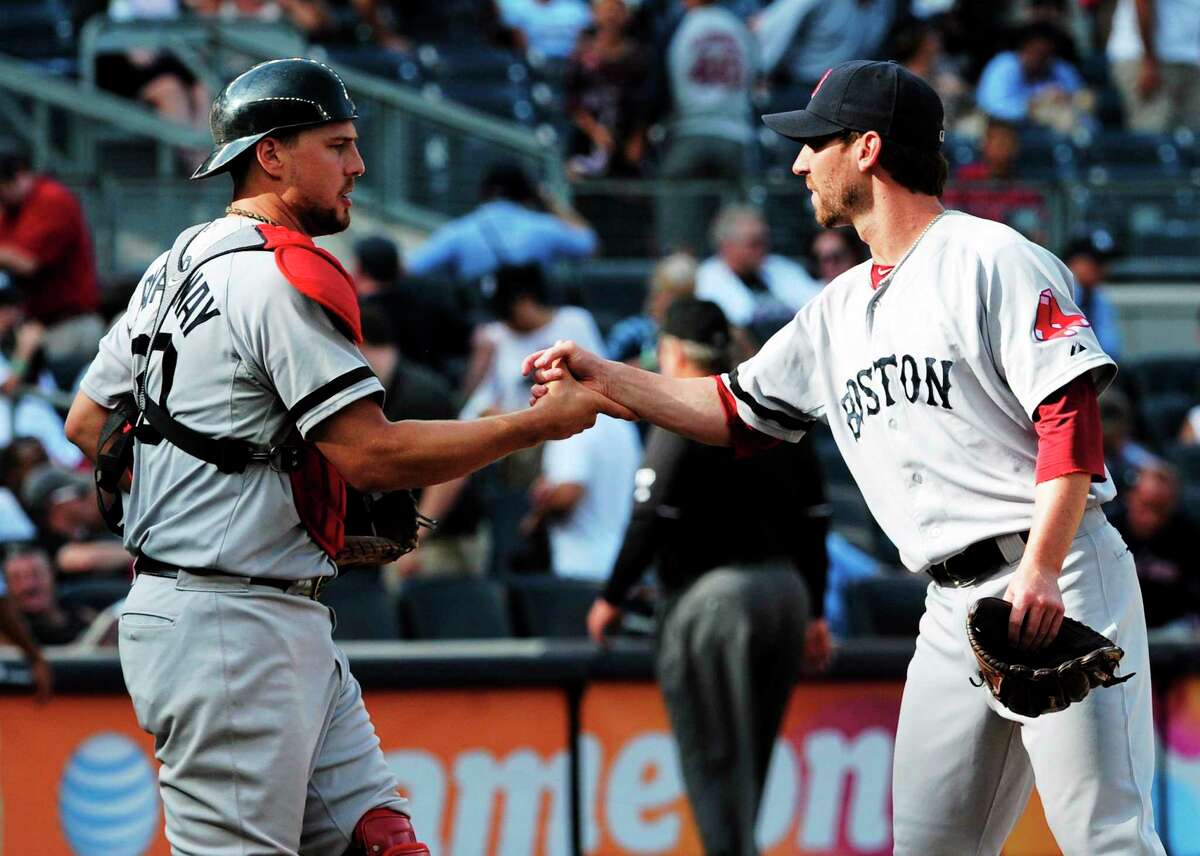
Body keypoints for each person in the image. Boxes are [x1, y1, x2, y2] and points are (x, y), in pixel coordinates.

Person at [525, 60, 1165, 854]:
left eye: (815, 143)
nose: (799, 162)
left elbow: (1069, 415)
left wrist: (1041, 565)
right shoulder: (835, 310)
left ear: (866, 148)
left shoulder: (990, 258)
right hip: (949, 607)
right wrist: (607, 377)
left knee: (1107, 839)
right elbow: (731, 411)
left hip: (1057, 574)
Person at [63, 57, 621, 855]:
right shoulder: (271, 277)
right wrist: (534, 426)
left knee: (379, 840)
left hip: (258, 604)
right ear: (272, 154)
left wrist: (223, 469)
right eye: (339, 143)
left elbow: (90, 422)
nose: (358, 165)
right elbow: (372, 455)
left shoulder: (177, 258)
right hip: (228, 621)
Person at [587, 297, 829, 856]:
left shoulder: (682, 410)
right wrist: (815, 608)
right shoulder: (770, 403)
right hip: (785, 597)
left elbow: (653, 514)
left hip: (716, 603)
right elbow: (815, 518)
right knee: (750, 766)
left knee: (718, 765)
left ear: (671, 352)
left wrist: (611, 596)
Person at [647, 0, 757, 255]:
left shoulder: (681, 25)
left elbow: (660, 84)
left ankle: (680, 267)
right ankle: (734, 265)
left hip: (689, 129)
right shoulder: (737, 27)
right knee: (736, 215)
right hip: (735, 133)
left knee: (679, 219)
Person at [0, 150, 103, 383]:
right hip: (38, 328)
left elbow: (27, 262)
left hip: (70, 326)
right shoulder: (12, 210)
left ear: (17, 176)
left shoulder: (51, 198)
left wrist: (22, 359)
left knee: (40, 383)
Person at [403, 162, 598, 283]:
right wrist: (551, 202)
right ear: (526, 194)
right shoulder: (544, 227)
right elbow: (589, 243)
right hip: (536, 336)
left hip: (478, 332)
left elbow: (411, 268)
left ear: (484, 191)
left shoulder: (459, 230)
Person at [524, 410, 641, 579]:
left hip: (580, 568)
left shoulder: (574, 426)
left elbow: (569, 493)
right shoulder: (624, 426)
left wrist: (536, 514)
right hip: (618, 564)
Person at [695, 204, 821, 329]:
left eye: (764, 241)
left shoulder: (779, 268)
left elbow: (815, 301)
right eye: (753, 244)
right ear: (727, 246)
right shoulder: (707, 279)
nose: (762, 249)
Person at [1109, 462, 1200, 634]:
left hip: (1172, 630)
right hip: (1116, 625)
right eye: (1145, 505)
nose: (1151, 518)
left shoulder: (1187, 535)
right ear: (1131, 497)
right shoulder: (1110, 529)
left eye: (1160, 509)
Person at [975, 21, 1094, 132]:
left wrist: (1067, 98)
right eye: (1036, 52)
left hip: (1049, 132)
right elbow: (992, 109)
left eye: (1046, 54)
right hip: (1008, 131)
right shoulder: (1004, 65)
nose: (1040, 59)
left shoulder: (1061, 69)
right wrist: (1035, 105)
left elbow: (1084, 107)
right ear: (1024, 49)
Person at [1106, 0, 1200, 132]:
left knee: (1191, 140)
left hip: (1189, 59)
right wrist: (1148, 60)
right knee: (1154, 133)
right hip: (1149, 59)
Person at [605, 251, 697, 365]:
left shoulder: (695, 333)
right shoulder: (629, 333)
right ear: (656, 293)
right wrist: (652, 361)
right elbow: (606, 370)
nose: (678, 303)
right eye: (671, 294)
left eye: (685, 296)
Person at [0, 547, 53, 701]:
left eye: (36, 574)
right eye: (16, 578)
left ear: (51, 574)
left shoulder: (83, 616)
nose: (28, 586)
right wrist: (34, 657)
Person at [1062, 235, 1122, 360]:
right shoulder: (1057, 296)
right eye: (1096, 262)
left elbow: (1110, 349)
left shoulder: (1100, 299)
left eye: (1106, 263)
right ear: (1075, 261)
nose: (1103, 269)